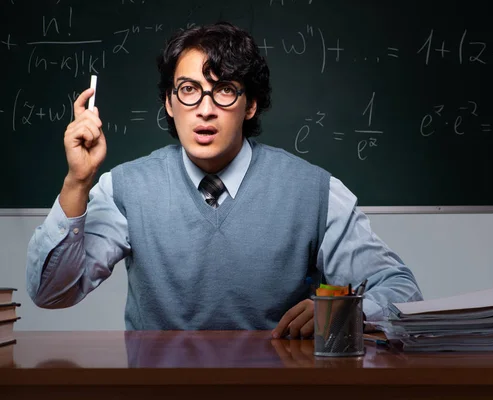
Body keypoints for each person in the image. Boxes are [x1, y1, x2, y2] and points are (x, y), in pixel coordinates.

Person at [26, 22, 422, 338]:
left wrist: (340, 312)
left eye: (224, 92)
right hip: (160, 391)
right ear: (169, 102)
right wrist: (77, 181)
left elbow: (401, 290)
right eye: (189, 91)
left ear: (250, 104)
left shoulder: (314, 192)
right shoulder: (126, 189)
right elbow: (51, 293)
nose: (205, 110)